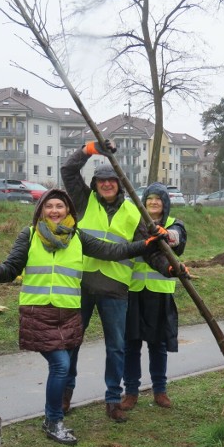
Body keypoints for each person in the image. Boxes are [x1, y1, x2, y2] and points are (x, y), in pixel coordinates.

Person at [0, 189, 164, 445]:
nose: (54, 211)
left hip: (68, 315)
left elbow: (112, 251)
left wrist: (146, 244)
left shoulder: (78, 237)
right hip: (38, 312)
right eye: (49, 206)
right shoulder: (29, 235)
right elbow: (11, 268)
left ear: (68, 212)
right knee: (62, 365)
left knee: (62, 365)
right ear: (41, 210)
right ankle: (53, 420)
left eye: (60, 207)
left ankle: (53, 416)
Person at [60, 140, 177, 423]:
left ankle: (113, 399)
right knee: (72, 341)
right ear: (95, 184)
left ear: (120, 183)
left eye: (112, 180)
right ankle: (65, 393)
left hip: (115, 290)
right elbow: (68, 169)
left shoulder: (133, 212)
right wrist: (89, 149)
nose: (107, 184)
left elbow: (147, 249)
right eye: (101, 180)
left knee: (116, 347)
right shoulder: (83, 201)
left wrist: (169, 268)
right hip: (82, 285)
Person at [120, 182, 187, 411]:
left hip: (159, 293)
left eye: (158, 199)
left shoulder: (173, 224)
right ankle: (130, 391)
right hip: (134, 290)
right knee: (131, 344)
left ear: (165, 203)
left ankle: (160, 390)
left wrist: (166, 235)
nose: (154, 202)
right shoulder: (134, 225)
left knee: (157, 345)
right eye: (149, 198)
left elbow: (178, 239)